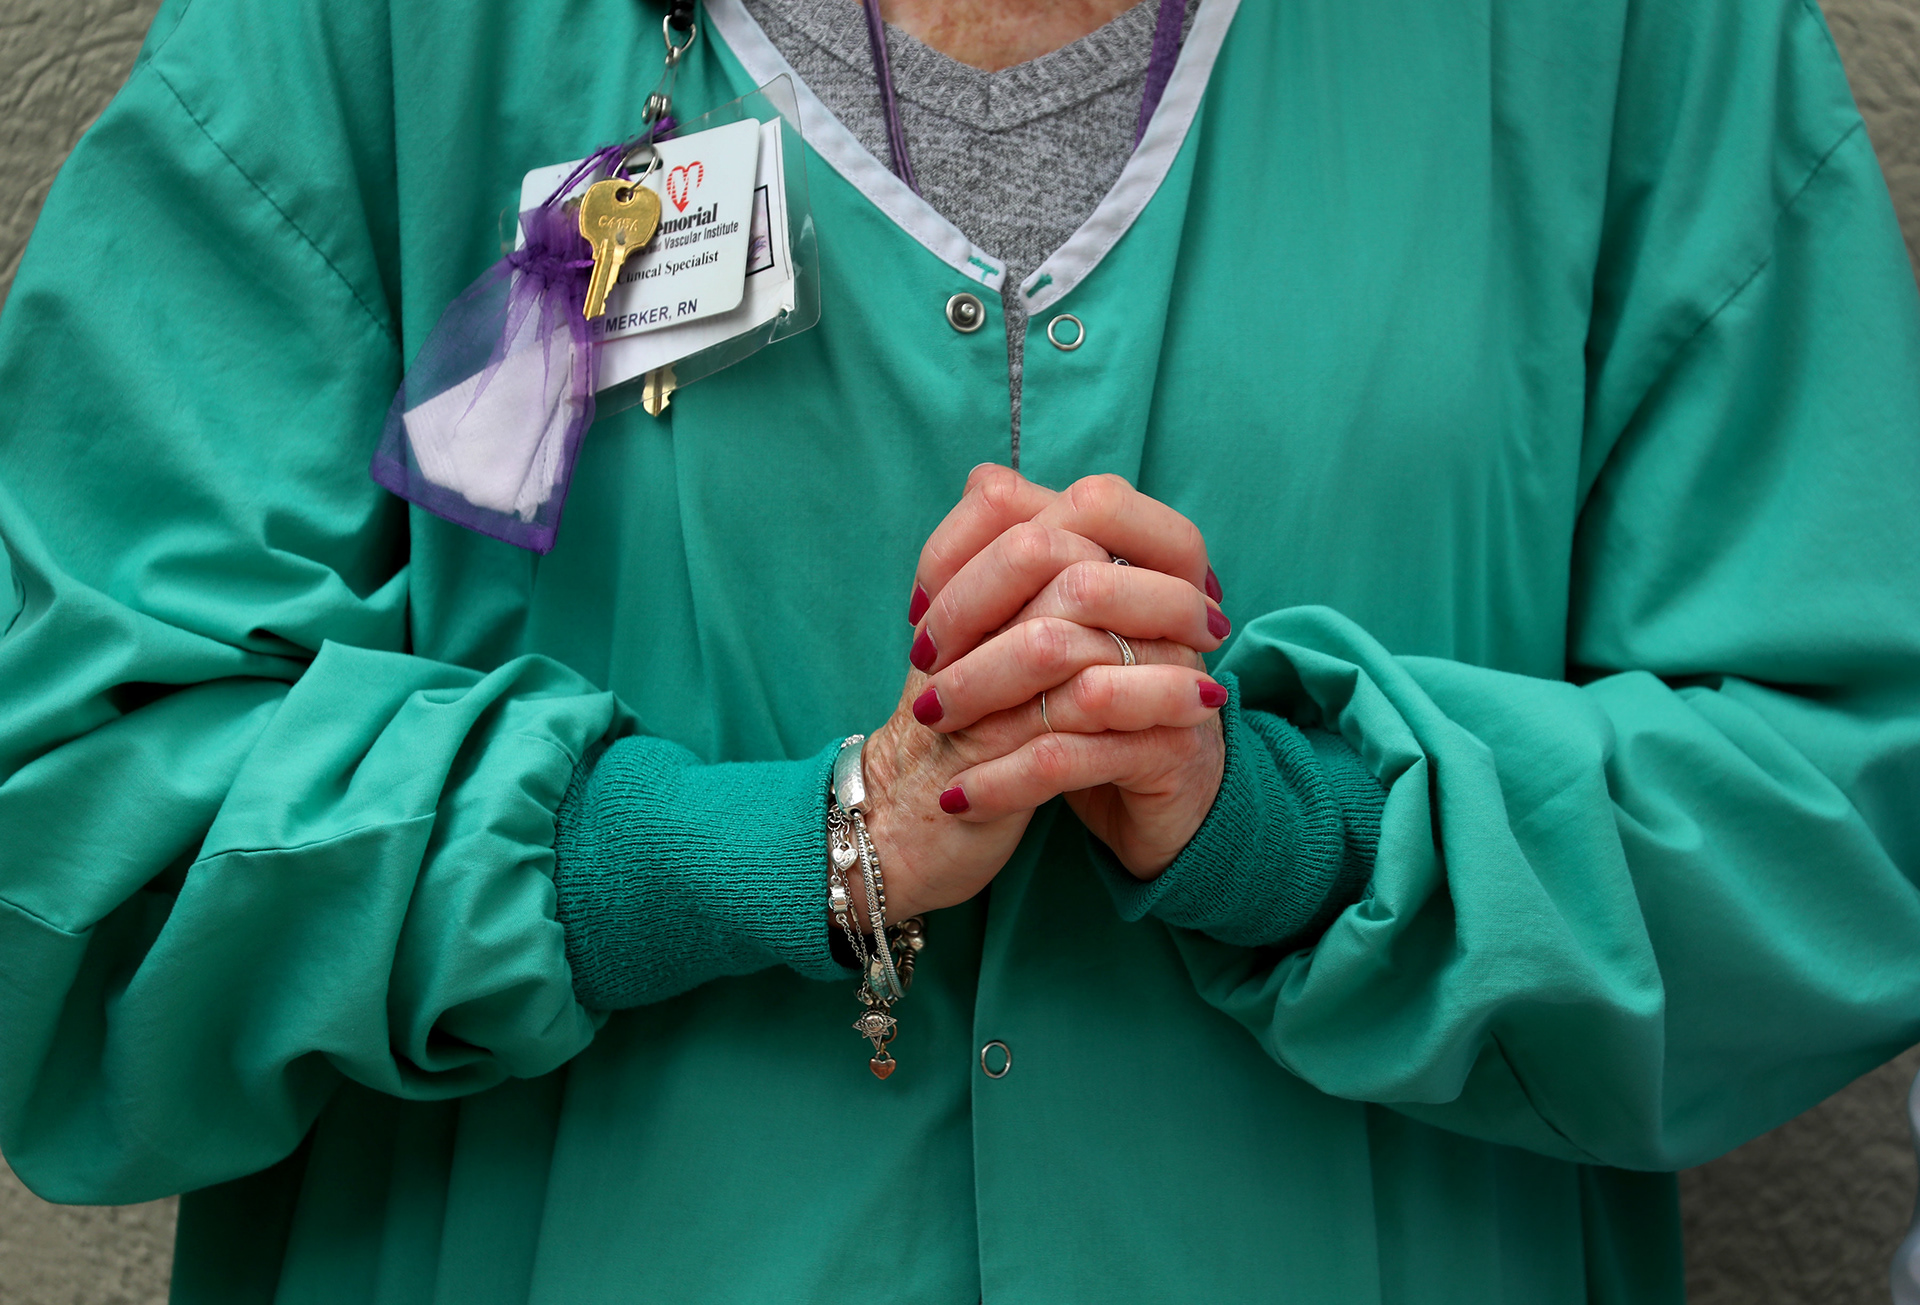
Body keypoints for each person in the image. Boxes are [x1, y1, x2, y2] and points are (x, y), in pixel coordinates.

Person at [1, 0, 1917, 1300]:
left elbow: (1847, 809)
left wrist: (1299, 830)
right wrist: (728, 853)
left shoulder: (1627, 44)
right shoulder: (373, 38)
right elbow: (71, 811)